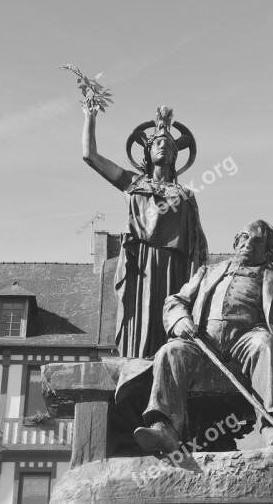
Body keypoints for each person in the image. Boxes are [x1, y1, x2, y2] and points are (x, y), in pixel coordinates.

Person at [133, 220, 273, 452]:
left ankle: (272, 427)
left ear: (270, 250)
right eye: (244, 237)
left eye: (258, 240)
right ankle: (166, 430)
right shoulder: (208, 272)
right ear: (235, 241)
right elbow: (177, 301)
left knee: (266, 344)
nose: (248, 243)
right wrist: (180, 319)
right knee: (170, 351)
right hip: (204, 341)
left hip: (249, 338)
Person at [82, 105, 207, 358]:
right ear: (147, 152)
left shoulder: (186, 195)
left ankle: (171, 365)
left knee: (170, 322)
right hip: (142, 264)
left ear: (175, 155)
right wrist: (90, 118)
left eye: (169, 144)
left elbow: (198, 243)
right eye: (157, 143)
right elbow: (90, 156)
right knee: (142, 318)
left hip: (176, 266)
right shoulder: (132, 183)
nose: (163, 146)